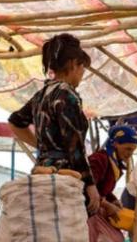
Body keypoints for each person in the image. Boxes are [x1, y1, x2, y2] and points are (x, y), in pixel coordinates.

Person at [8, 33, 101, 215]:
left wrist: (43, 146)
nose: (82, 74)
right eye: (82, 68)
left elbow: (15, 122)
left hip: (42, 172)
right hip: (65, 177)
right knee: (67, 231)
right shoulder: (68, 95)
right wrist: (91, 186)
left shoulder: (42, 94)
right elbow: (75, 147)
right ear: (73, 64)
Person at [87, 125, 137, 242]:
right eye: (127, 148)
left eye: (133, 150)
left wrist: (113, 200)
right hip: (90, 213)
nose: (130, 153)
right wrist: (106, 205)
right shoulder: (99, 159)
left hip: (100, 210)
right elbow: (87, 187)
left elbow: (104, 188)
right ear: (115, 143)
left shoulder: (115, 163)